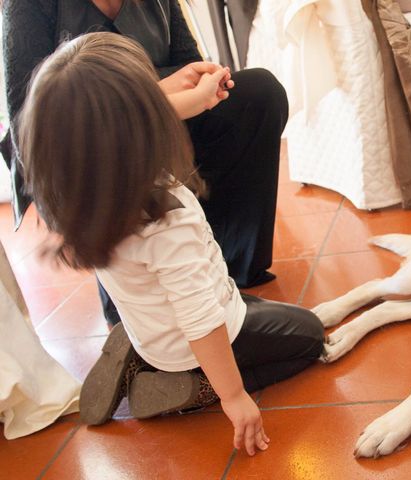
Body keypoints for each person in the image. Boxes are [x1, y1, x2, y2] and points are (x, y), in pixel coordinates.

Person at [19, 31, 324, 456]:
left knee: (245, 310)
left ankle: (143, 354)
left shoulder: (84, 196)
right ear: (142, 122)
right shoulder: (165, 216)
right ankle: (189, 387)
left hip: (153, 330)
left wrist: (196, 98)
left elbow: (112, 120)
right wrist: (233, 398)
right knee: (311, 335)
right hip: (193, 343)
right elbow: (200, 320)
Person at [2, 0, 287, 326]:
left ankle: (233, 268)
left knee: (259, 94)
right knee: (114, 147)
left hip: (161, 117)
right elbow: (31, 117)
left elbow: (186, 63)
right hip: (84, 149)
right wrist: (152, 95)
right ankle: (129, 299)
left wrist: (198, 84)